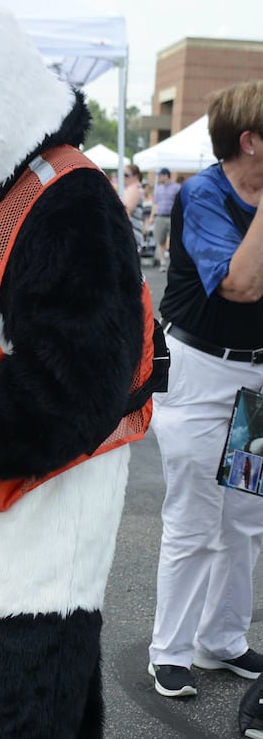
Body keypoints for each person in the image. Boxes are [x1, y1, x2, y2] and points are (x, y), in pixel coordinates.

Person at [148, 79, 263, 699]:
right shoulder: (204, 195)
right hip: (202, 375)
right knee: (195, 519)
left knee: (245, 517)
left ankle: (222, 641)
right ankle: (170, 650)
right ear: (250, 142)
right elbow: (241, 285)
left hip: (256, 385)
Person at [148, 166, 181, 268]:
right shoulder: (159, 189)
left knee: (172, 239)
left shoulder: (176, 187)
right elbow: (155, 203)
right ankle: (162, 262)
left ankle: (173, 261)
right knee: (160, 239)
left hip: (172, 216)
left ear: (166, 175)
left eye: (160, 175)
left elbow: (180, 202)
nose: (159, 177)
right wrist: (152, 217)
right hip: (160, 216)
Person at [121, 163, 146, 251]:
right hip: (133, 230)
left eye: (126, 175)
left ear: (135, 176)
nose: (123, 178)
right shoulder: (134, 188)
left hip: (132, 230)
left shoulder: (134, 189)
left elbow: (127, 211)